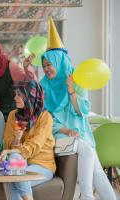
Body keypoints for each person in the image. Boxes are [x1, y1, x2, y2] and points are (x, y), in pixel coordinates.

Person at [40, 17, 117, 200]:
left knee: (97, 171)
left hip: (80, 132)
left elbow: (81, 112)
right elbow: (44, 118)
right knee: (88, 152)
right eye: (44, 66)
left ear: (59, 62)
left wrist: (71, 91)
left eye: (49, 64)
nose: (46, 69)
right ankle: (87, 196)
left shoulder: (76, 79)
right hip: (58, 133)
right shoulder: (43, 86)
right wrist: (65, 129)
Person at [0, 79, 56, 200]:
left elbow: (35, 144)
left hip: (42, 165)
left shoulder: (45, 117)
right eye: (15, 94)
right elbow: (8, 145)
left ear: (31, 96)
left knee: (13, 178)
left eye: (19, 95)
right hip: (19, 163)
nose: (15, 98)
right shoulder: (13, 115)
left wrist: (11, 151)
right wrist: (17, 140)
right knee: (15, 161)